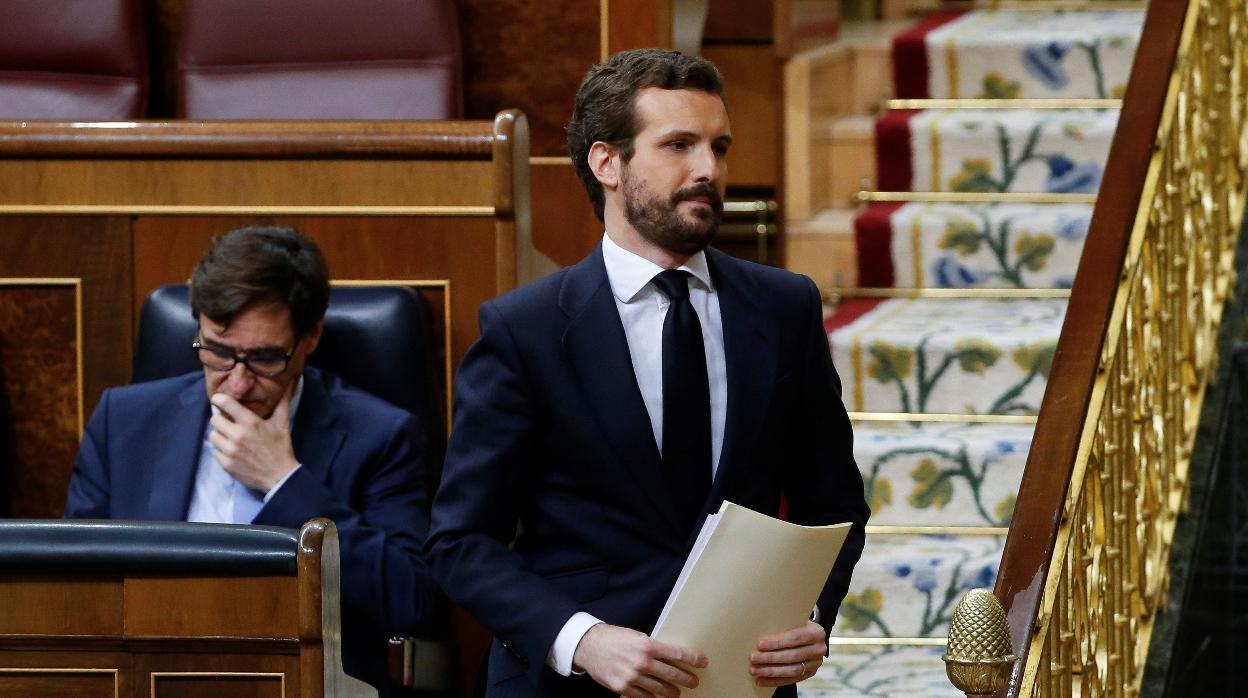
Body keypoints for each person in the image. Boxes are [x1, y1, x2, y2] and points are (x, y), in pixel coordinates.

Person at [425, 49, 869, 698]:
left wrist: (809, 615)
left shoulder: (784, 308)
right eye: (679, 145)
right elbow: (460, 542)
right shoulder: (526, 329)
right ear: (607, 162)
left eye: (719, 147)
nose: (708, 169)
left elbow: (833, 504)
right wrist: (582, 640)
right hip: (572, 688)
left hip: (737, 684)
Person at [65, 225, 436, 696]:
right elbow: (76, 586)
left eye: (264, 359)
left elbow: (410, 601)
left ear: (309, 338)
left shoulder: (380, 436)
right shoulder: (125, 421)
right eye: (218, 352)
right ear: (197, 323)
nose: (237, 384)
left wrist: (284, 481)